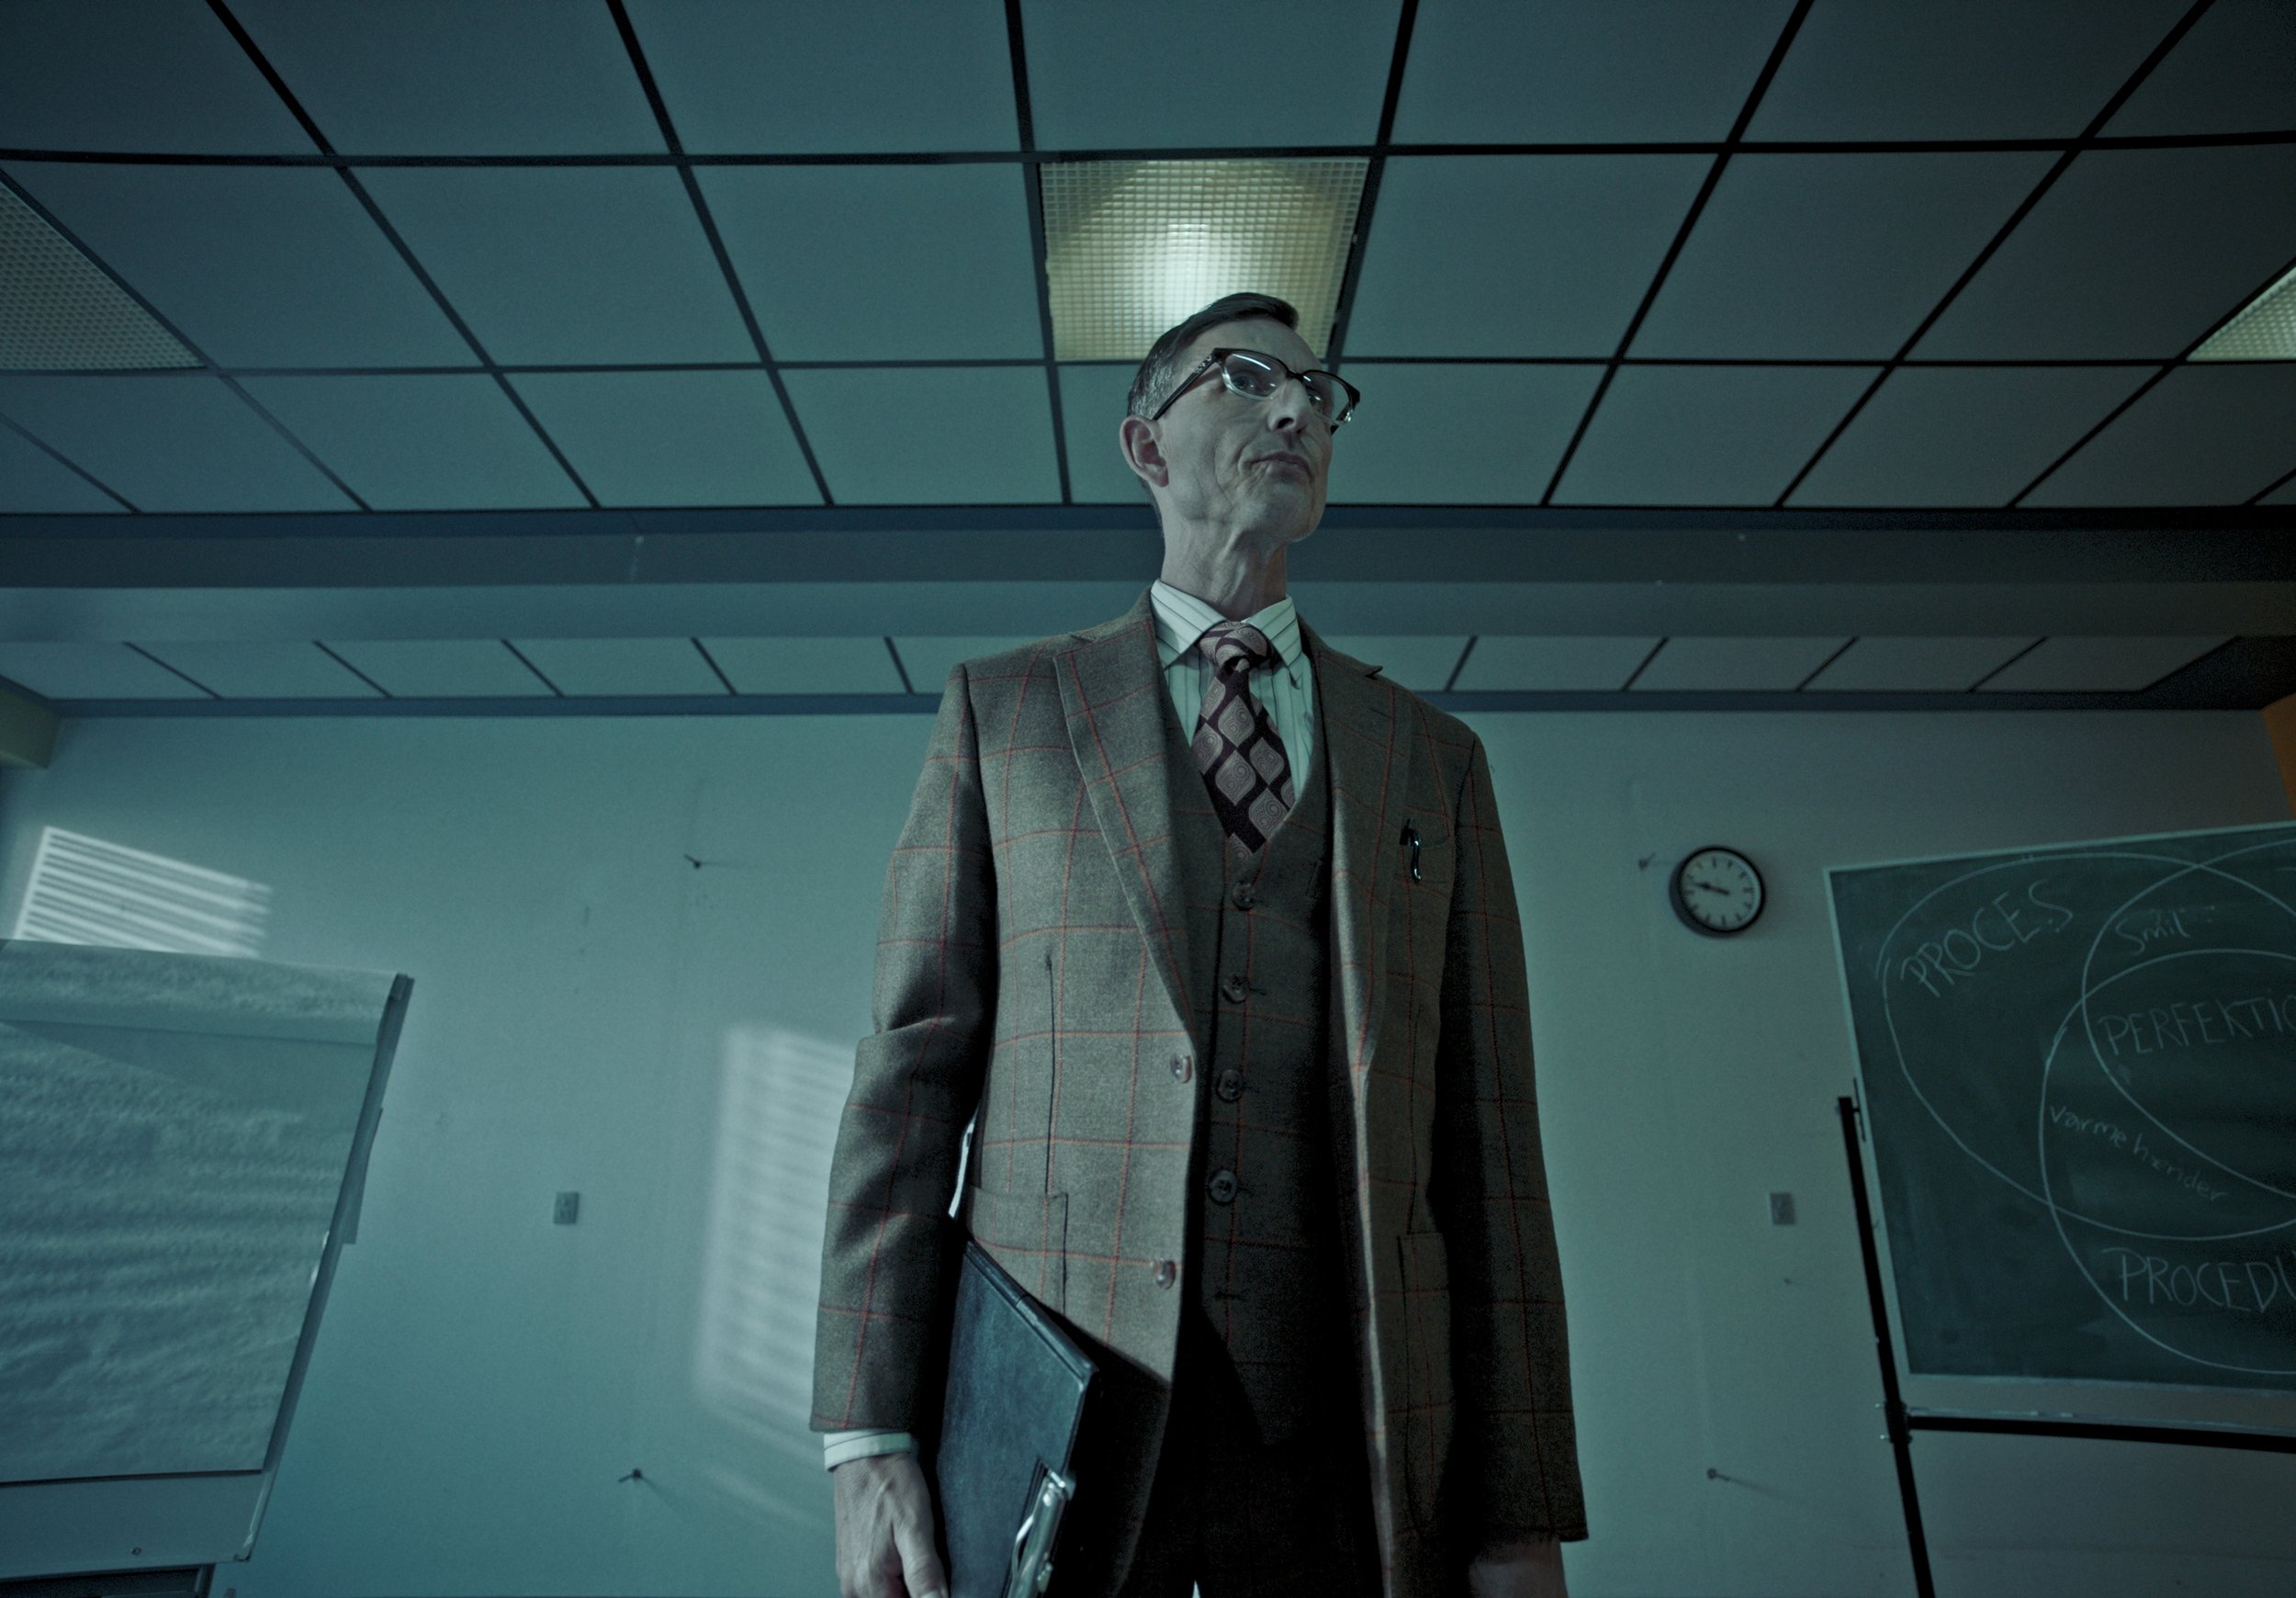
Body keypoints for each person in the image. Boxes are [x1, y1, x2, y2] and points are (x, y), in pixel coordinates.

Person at [812, 293, 1585, 1598]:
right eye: (1244, 378)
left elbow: (1490, 1150)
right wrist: (866, 1435)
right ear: (1146, 447)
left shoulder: (1434, 764)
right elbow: (907, 1085)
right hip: (1061, 1438)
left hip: (1355, 1454)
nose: (1296, 410)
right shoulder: (1006, 716)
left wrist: (1518, 1511)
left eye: (1318, 393)